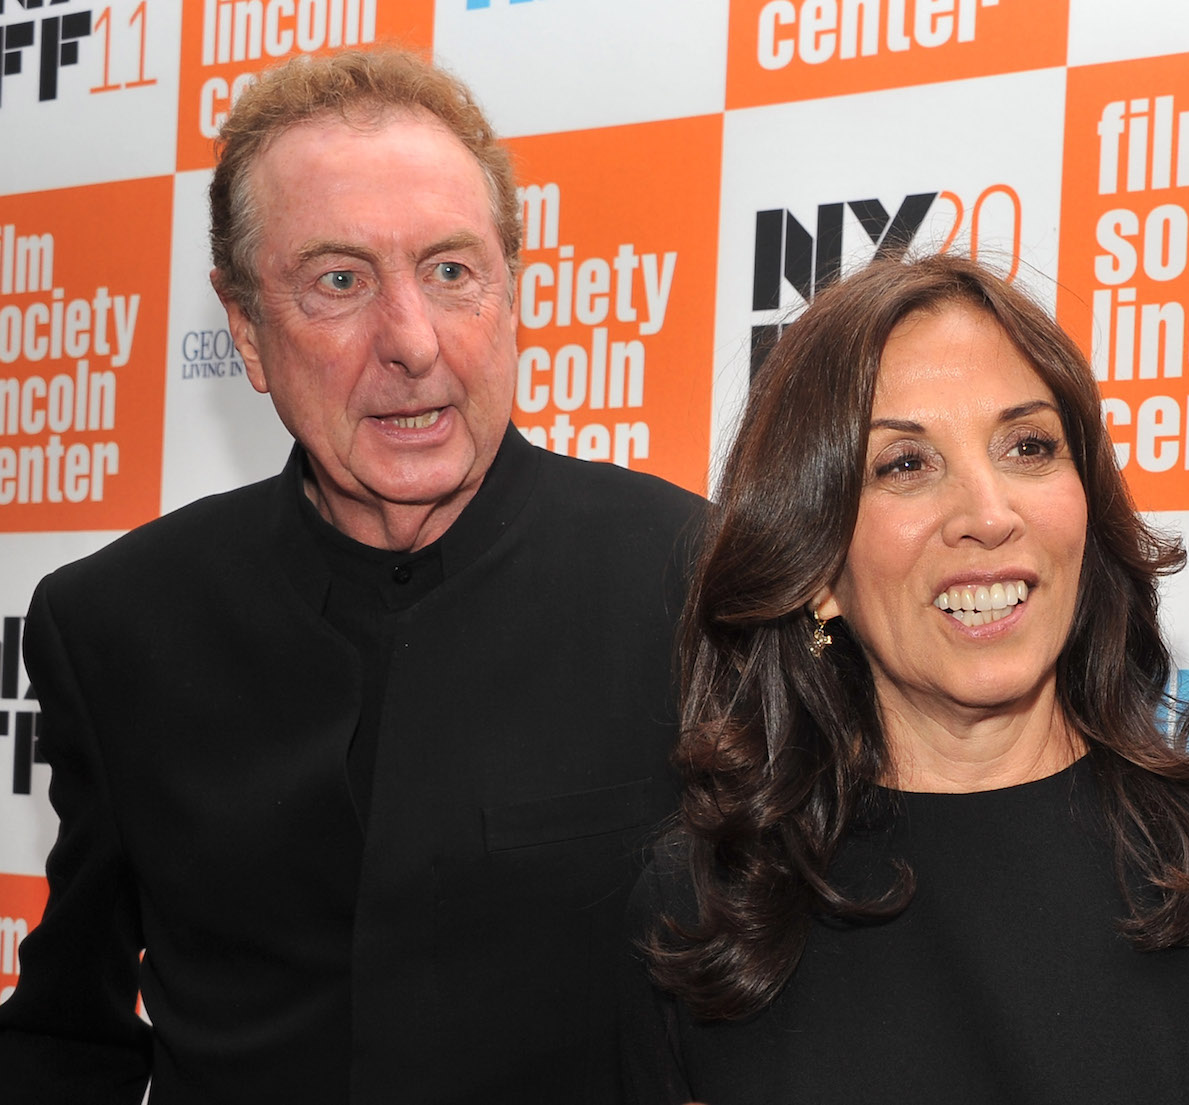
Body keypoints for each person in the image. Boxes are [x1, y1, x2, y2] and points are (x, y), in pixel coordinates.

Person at [0, 49, 702, 1104]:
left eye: (451, 271)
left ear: (511, 293)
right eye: (338, 281)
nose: (410, 342)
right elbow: (67, 1035)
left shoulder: (692, 579)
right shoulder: (115, 624)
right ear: (245, 328)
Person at [621, 253, 1189, 1105]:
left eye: (1029, 446)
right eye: (906, 464)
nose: (988, 513)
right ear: (816, 567)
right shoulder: (709, 909)